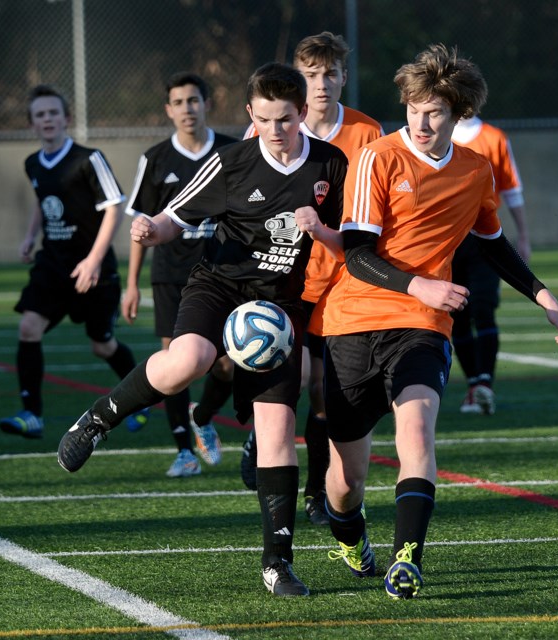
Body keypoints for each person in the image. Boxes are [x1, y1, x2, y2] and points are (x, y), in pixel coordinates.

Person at [57, 62, 348, 597]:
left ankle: (277, 564)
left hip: (278, 307)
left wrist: (323, 229)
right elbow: (174, 217)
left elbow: (348, 244)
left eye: (285, 120)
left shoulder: (332, 164)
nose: (275, 131)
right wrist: (152, 229)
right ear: (249, 115)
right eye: (263, 120)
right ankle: (97, 420)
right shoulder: (232, 162)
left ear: (302, 113)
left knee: (279, 432)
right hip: (219, 286)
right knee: (187, 360)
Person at [314, 44, 558, 600]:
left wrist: (543, 295)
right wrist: (420, 282)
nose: (421, 121)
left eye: (433, 111)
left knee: (417, 433)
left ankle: (407, 559)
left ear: (458, 114)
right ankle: (350, 533)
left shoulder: (476, 170)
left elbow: (493, 245)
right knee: (346, 482)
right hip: (354, 320)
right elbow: (357, 253)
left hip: (423, 323)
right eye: (413, 109)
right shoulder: (377, 158)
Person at [238, 32, 384, 529]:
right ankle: (260, 432)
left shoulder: (367, 133)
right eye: (312, 74)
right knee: (286, 376)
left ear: (344, 77)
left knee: (323, 393)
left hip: (341, 284)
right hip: (282, 281)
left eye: (331, 73)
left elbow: (370, 208)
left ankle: (316, 492)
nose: (322, 84)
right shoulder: (265, 131)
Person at [0, 84, 144, 439]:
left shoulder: (88, 159)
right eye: (39, 115)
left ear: (65, 118)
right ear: (33, 123)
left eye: (52, 113)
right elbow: (42, 200)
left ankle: (141, 401)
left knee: (102, 345)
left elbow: (114, 206)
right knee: (28, 328)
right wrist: (31, 236)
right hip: (52, 265)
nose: (47, 119)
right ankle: (32, 414)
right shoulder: (32, 163)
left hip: (93, 270)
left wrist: (94, 260)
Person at [121, 72, 239, 477]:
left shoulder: (233, 151)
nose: (187, 108)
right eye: (179, 102)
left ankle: (203, 416)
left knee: (226, 366)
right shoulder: (155, 159)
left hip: (220, 273)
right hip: (170, 275)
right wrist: (132, 283)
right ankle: (183, 452)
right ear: (168, 110)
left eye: (194, 100)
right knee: (175, 363)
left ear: (207, 103)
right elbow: (141, 223)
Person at [449, 114, 531, 415]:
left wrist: (523, 236)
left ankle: (485, 385)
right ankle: (474, 386)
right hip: (449, 243)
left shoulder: (494, 138)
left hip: (484, 239)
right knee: (457, 312)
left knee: (483, 307)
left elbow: (511, 188)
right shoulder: (437, 135)